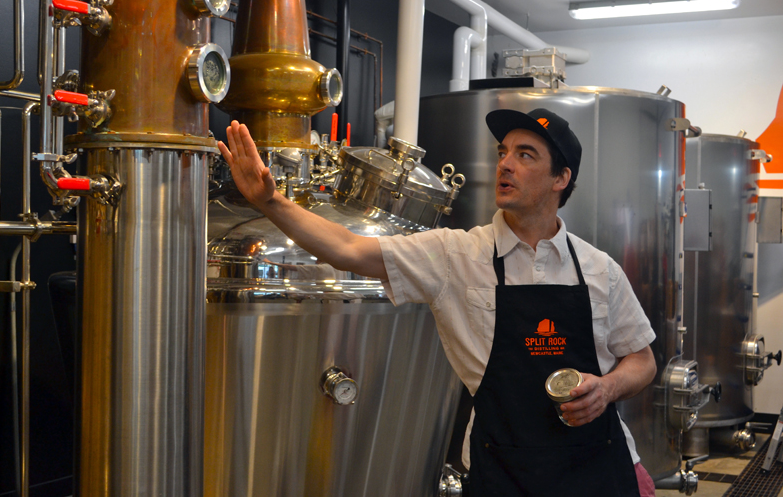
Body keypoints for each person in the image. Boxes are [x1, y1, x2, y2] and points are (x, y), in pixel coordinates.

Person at [217, 108, 658, 497]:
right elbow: (348, 248)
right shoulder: (455, 255)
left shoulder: (600, 269)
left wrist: (607, 388)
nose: (505, 163)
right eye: (503, 151)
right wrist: (270, 201)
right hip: (504, 476)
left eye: (526, 155)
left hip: (598, 472)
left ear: (561, 179)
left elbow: (642, 360)